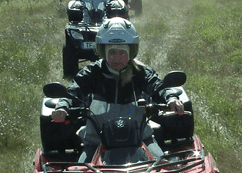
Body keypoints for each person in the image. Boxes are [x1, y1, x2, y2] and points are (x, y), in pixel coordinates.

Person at [52, 18, 184, 162]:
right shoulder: (92, 72)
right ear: (103, 51)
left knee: (162, 165)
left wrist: (171, 98)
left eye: (122, 52)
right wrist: (62, 107)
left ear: (131, 52)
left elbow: (158, 86)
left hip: (140, 138)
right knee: (82, 172)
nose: (117, 58)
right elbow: (73, 91)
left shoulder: (140, 72)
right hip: (97, 142)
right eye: (112, 52)